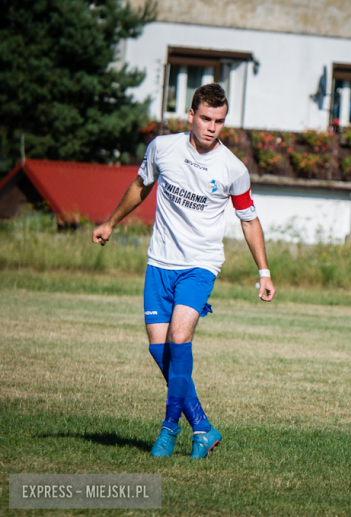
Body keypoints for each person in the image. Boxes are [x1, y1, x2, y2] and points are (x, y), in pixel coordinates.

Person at [92, 83, 276, 459]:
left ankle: (169, 429)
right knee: (159, 349)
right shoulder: (162, 148)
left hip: (200, 265)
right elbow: (140, 185)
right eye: (206, 118)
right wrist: (111, 222)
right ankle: (203, 427)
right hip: (159, 261)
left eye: (219, 121)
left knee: (179, 338)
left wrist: (264, 271)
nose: (212, 127)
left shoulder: (233, 169)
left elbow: (249, 220)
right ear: (191, 116)